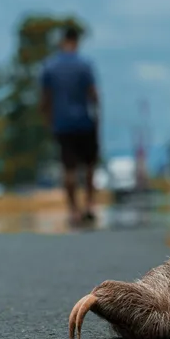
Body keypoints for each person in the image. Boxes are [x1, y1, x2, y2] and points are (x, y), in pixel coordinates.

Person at [39, 26, 100, 226]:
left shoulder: (49, 66)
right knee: (89, 165)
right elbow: (93, 94)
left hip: (62, 124)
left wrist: (49, 121)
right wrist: (98, 118)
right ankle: (90, 205)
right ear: (76, 41)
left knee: (69, 169)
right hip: (84, 121)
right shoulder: (84, 65)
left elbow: (45, 99)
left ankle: (73, 210)